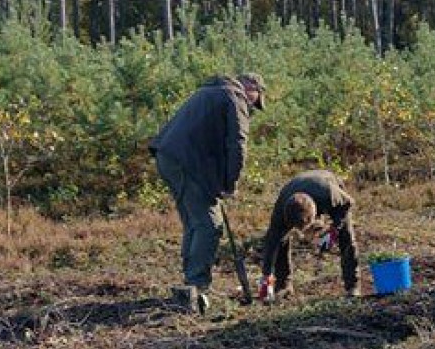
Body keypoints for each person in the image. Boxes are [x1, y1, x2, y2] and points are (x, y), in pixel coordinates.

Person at [150, 72, 266, 313]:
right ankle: (196, 288)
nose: (253, 107)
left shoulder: (210, 92)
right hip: (185, 163)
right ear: (251, 88)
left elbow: (207, 141)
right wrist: (230, 183)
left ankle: (189, 285)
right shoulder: (235, 98)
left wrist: (217, 182)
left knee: (195, 222)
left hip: (169, 158)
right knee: (209, 225)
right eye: (255, 101)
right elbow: (237, 145)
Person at [258, 169, 360, 301]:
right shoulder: (281, 208)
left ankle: (353, 286)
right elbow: (272, 242)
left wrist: (334, 230)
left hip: (326, 182)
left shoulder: (328, 193)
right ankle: (284, 286)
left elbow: (348, 203)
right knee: (281, 239)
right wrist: (266, 278)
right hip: (296, 187)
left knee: (346, 237)